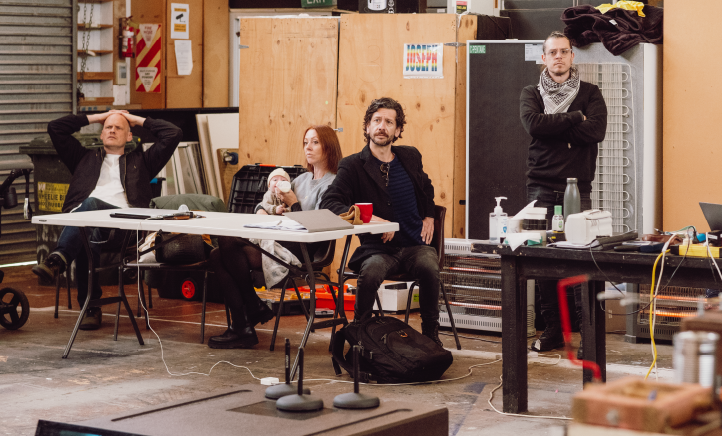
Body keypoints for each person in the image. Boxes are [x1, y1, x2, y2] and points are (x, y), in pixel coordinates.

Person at [33, 110, 181, 330]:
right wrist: (97, 117)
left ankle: (58, 259)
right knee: (88, 233)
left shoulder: (143, 161)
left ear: (129, 136)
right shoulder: (82, 158)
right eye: (108, 127)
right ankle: (90, 307)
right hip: (85, 226)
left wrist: (137, 120)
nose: (112, 130)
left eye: (119, 128)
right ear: (101, 135)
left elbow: (173, 133)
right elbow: (55, 128)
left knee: (92, 204)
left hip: (123, 228)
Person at [320, 97, 444, 345]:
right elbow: (330, 203)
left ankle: (431, 335)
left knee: (430, 267)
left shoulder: (409, 157)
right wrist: (369, 219)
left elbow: (426, 188)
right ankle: (360, 335)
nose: (381, 126)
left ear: (397, 130)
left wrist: (429, 215)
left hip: (414, 245)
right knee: (371, 271)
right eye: (376, 121)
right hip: (378, 248)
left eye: (389, 122)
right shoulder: (352, 165)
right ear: (367, 126)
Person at [206, 125, 342, 349]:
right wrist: (263, 208)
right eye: (306, 142)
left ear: (329, 147)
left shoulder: (332, 184)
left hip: (303, 247)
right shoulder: (300, 180)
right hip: (279, 237)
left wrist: (292, 203)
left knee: (226, 242)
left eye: (315, 142)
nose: (308, 147)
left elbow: (319, 228)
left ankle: (247, 316)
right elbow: (266, 202)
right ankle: (246, 322)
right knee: (216, 254)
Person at [520, 30, 608, 352]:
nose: (558, 56)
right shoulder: (531, 92)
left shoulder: (591, 92)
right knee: (543, 261)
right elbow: (534, 125)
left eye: (564, 51)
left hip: (577, 188)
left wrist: (553, 127)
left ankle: (585, 335)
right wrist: (573, 119)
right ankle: (554, 331)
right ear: (543, 58)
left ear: (573, 56)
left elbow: (596, 130)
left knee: (579, 260)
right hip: (541, 187)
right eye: (552, 52)